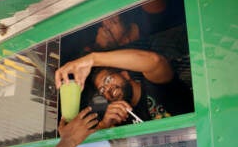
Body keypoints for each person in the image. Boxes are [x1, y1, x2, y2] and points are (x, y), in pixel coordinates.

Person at [55, 48, 194, 129]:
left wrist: (92, 59)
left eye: (108, 79)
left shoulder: (156, 85)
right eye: (102, 90)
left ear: (125, 74)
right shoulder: (119, 118)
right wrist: (105, 125)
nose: (108, 89)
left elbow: (155, 62)